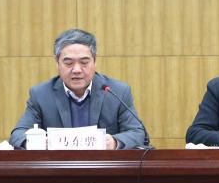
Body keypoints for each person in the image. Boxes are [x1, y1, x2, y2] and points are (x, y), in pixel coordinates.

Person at [9, 28, 148, 150]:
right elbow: (17, 135)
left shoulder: (117, 92)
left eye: (84, 62)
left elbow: (137, 133)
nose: (76, 70)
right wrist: (38, 142)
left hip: (103, 168)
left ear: (95, 62)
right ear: (57, 64)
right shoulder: (41, 94)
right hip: (57, 168)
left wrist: (114, 142)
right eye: (68, 63)